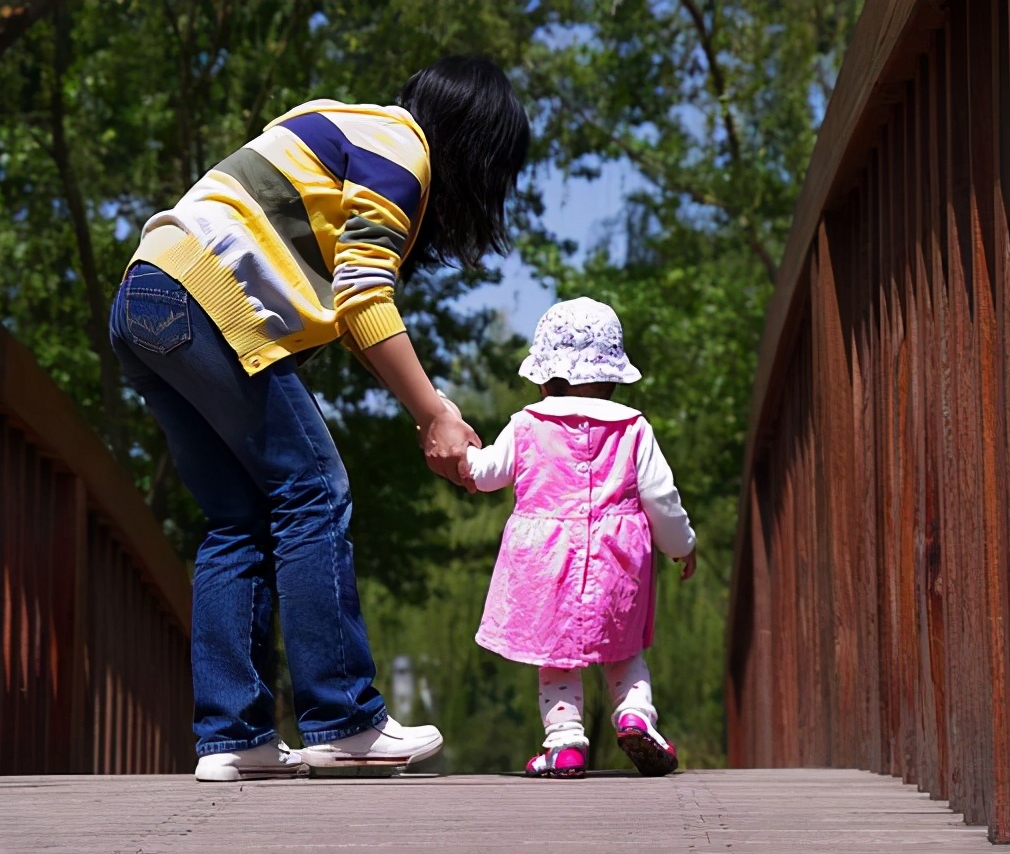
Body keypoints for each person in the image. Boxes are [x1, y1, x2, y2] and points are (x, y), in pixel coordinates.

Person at [107, 56, 529, 782]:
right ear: (475, 141)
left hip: (146, 295)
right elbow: (363, 295)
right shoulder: (404, 150)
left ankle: (234, 736)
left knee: (237, 516)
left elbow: (336, 292)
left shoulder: (347, 127)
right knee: (314, 488)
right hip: (205, 297)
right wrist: (435, 411)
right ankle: (345, 721)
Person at [463, 297, 697, 779]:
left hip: (546, 563)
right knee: (624, 650)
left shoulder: (527, 423)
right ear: (613, 373)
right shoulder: (634, 428)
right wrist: (682, 546)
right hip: (618, 563)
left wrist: (456, 449)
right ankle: (635, 717)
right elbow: (661, 498)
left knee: (556, 657)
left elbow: (486, 474)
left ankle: (564, 744)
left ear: (545, 373)